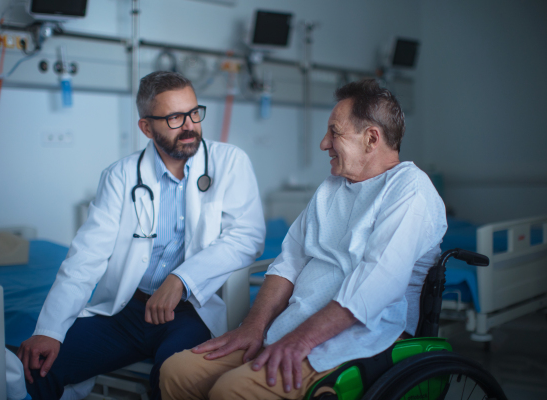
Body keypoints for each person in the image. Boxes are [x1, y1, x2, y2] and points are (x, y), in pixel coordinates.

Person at [159, 79, 448, 400]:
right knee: (177, 372)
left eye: (334, 132)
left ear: (371, 138)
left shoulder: (410, 190)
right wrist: (254, 326)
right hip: (293, 326)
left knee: (232, 391)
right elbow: (288, 264)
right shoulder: (332, 188)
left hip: (360, 338)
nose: (324, 143)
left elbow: (374, 286)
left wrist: (300, 340)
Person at [16, 71, 266, 400]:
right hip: (126, 312)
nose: (190, 125)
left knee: (170, 377)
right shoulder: (120, 177)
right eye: (175, 118)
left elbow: (247, 237)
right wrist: (48, 331)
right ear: (146, 127)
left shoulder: (230, 163)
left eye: (194, 113)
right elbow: (86, 257)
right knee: (39, 367)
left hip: (190, 312)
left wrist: (180, 280)